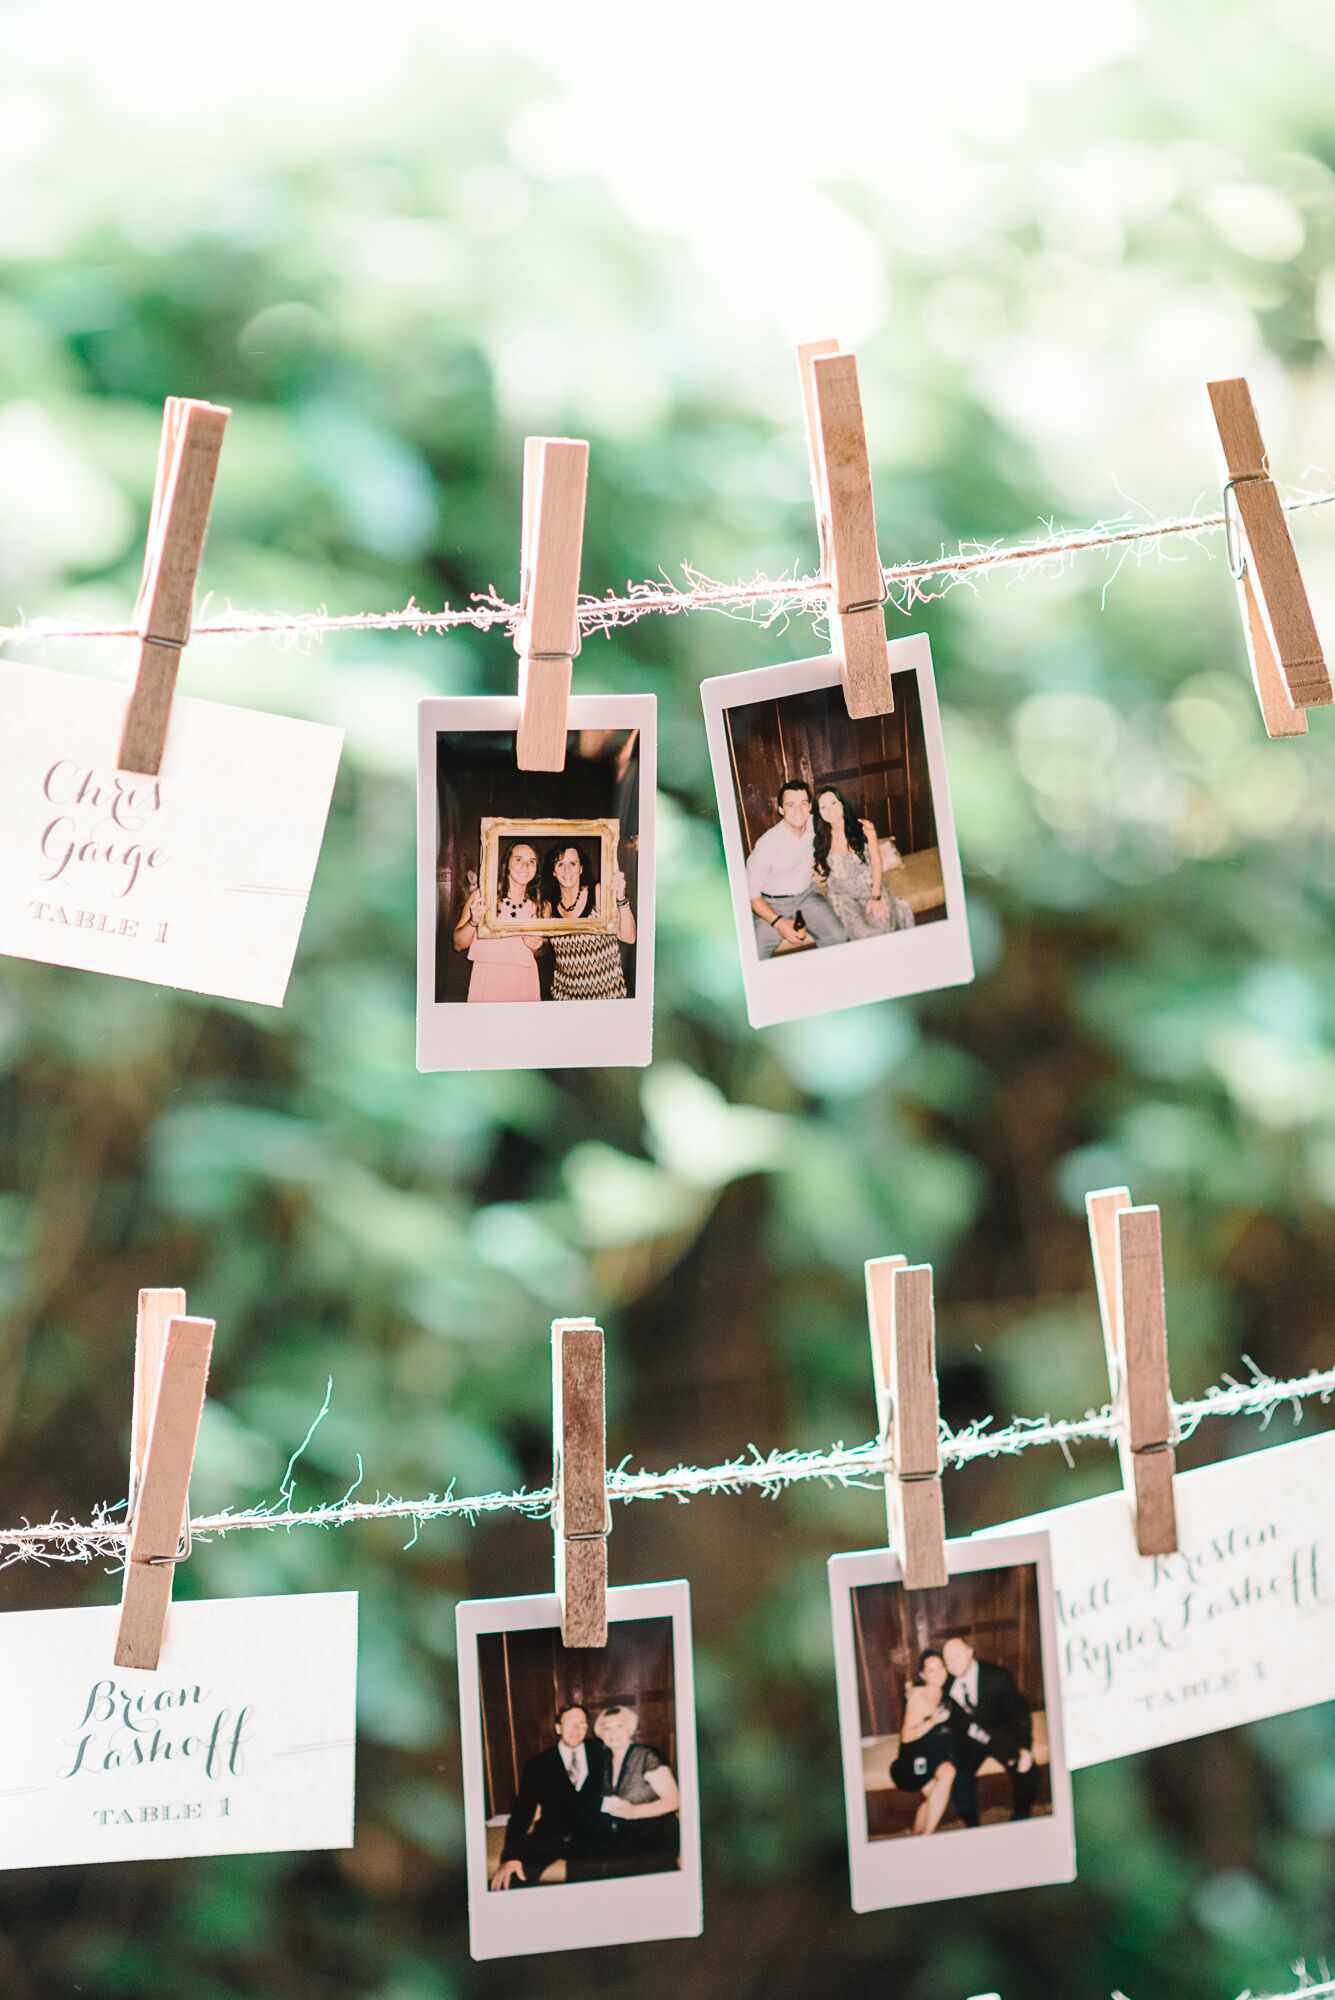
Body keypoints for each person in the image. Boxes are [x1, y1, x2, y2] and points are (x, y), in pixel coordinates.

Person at [489, 1703, 611, 1889]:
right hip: (548, 1837)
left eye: (582, 1724)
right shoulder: (538, 1764)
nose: (577, 1729)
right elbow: (522, 1812)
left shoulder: (602, 1755)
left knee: (584, 1885)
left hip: (590, 1838)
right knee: (516, 1877)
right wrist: (511, 1856)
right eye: (571, 1723)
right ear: (558, 1728)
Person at [940, 1632, 1038, 1827]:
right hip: (969, 1741)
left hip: (999, 1734)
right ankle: (972, 1826)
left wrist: (1025, 1747)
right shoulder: (946, 1683)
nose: (952, 1664)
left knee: (1027, 1769)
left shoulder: (998, 1677)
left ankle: (1021, 1820)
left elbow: (1020, 1713)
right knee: (959, 1778)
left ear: (969, 1653)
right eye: (947, 1660)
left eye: (956, 1656)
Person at [746, 779, 849, 959]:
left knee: (839, 937)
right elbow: (752, 896)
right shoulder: (767, 844)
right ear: (780, 810)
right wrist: (779, 923)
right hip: (772, 904)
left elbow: (841, 821)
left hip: (807, 895)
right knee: (753, 953)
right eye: (790, 805)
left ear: (810, 806)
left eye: (803, 803)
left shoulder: (814, 824)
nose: (798, 811)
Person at [812, 786, 914, 940]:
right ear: (819, 812)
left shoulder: (864, 828)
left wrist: (876, 897)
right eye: (823, 807)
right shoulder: (820, 838)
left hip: (870, 889)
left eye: (833, 803)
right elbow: (821, 869)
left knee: (883, 925)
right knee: (862, 933)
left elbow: (876, 863)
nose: (829, 810)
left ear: (842, 804)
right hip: (843, 897)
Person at [591, 1704, 680, 1876]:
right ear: (601, 1734)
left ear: (630, 1729)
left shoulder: (647, 1756)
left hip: (655, 1836)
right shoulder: (603, 1759)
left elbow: (674, 1801)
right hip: (622, 1836)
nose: (613, 1733)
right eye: (607, 1728)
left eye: (619, 1726)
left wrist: (634, 1811)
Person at [539, 843, 635, 1001]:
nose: (567, 870)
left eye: (573, 863)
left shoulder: (598, 893)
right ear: (553, 872)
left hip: (607, 997)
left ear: (581, 868)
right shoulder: (548, 908)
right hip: (564, 999)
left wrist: (621, 898)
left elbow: (629, 937)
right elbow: (540, 948)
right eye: (560, 864)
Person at [452, 842, 543, 1002]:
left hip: (524, 981)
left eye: (532, 861)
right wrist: (473, 922)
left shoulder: (540, 906)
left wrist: (536, 947)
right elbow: (458, 944)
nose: (525, 866)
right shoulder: (482, 896)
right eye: (518, 859)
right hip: (488, 980)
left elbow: (540, 951)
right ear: (506, 864)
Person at [888, 1649, 959, 1836]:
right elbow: (906, 1737)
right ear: (923, 1675)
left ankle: (920, 1836)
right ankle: (926, 1838)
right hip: (912, 1763)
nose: (938, 1673)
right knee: (941, 1789)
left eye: (941, 1667)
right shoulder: (918, 1699)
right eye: (931, 1670)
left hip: (932, 1755)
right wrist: (932, 1721)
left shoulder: (946, 1691)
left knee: (946, 1776)